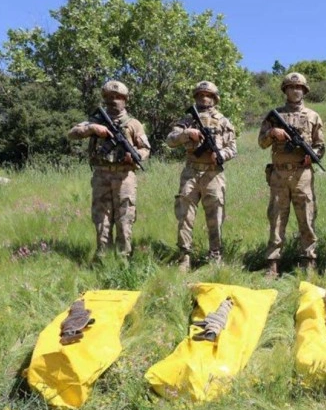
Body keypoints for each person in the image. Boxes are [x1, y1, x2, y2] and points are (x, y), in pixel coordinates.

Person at [67, 80, 150, 259]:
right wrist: (92, 128)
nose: (114, 101)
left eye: (118, 97)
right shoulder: (95, 120)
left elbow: (146, 149)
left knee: (125, 218)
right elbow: (72, 133)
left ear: (125, 100)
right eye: (110, 97)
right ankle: (103, 257)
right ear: (105, 99)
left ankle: (123, 259)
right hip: (101, 174)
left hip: (124, 176)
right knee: (101, 218)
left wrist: (135, 155)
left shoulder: (133, 123)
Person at [258, 72, 325, 278]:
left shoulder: (313, 116)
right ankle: (273, 263)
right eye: (291, 87)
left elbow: (320, 145)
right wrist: (272, 133)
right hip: (279, 174)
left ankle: (308, 260)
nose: (295, 91)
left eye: (299, 88)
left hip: (302, 173)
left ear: (304, 91)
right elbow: (262, 143)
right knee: (277, 218)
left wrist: (312, 157)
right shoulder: (274, 115)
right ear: (285, 90)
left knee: (306, 216)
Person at [166, 81, 237, 272]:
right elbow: (170, 140)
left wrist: (221, 155)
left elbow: (233, 147)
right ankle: (184, 256)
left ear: (214, 98)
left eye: (208, 95)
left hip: (213, 173)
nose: (204, 98)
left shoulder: (223, 121)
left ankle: (215, 255)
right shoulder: (187, 120)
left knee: (215, 216)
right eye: (200, 95)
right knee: (185, 215)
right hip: (191, 171)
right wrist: (186, 134)